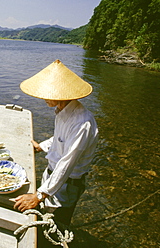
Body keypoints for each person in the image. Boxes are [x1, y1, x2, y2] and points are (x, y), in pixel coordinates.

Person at [14, 59, 99, 228]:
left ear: (61, 94)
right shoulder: (63, 112)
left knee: (58, 224)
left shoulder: (82, 123)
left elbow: (67, 163)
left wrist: (39, 195)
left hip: (67, 186)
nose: (44, 98)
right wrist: (43, 146)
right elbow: (59, 138)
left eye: (48, 93)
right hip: (52, 177)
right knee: (45, 219)